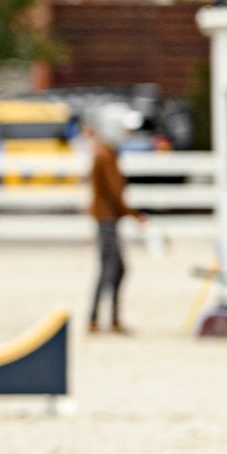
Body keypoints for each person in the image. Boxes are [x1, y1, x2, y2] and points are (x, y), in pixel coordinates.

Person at [86, 106, 145, 333]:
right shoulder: (106, 155)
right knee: (111, 269)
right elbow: (114, 191)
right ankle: (102, 318)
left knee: (112, 269)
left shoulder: (106, 152)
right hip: (107, 219)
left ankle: (106, 318)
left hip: (108, 218)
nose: (127, 133)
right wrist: (134, 214)